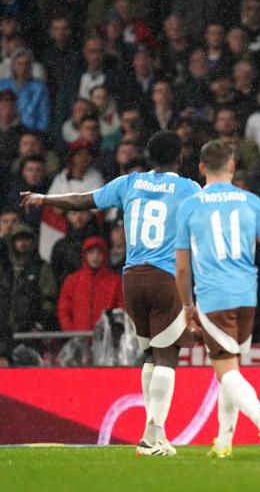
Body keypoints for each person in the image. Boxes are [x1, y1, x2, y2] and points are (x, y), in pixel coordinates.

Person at [20, 132, 202, 456]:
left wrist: (44, 199)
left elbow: (82, 201)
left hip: (131, 277)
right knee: (168, 356)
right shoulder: (189, 188)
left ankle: (155, 435)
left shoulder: (130, 183)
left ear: (148, 156)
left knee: (149, 355)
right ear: (179, 157)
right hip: (165, 278)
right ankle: (153, 433)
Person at [174, 140, 260, 459]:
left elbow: (181, 265)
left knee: (226, 371)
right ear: (232, 166)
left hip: (212, 295)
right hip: (248, 296)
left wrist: (187, 306)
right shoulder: (252, 201)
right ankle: (224, 441)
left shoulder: (190, 205)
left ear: (202, 168)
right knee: (230, 367)